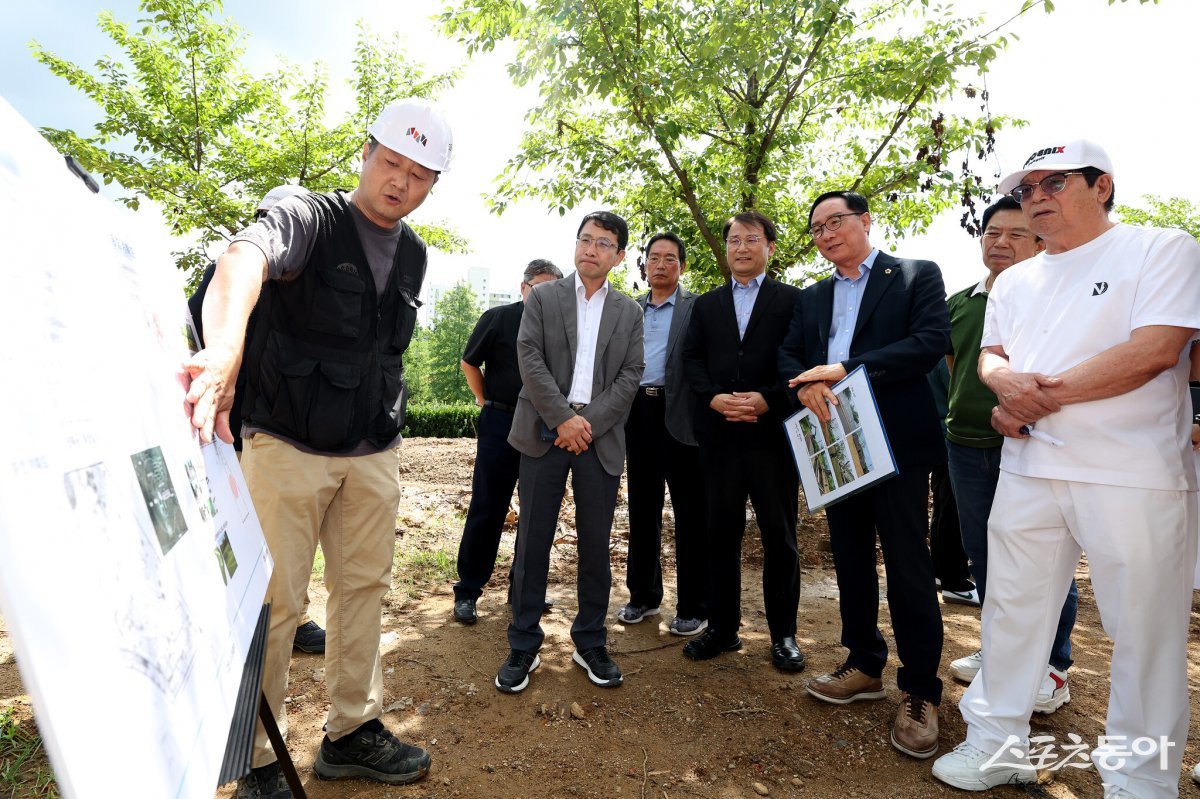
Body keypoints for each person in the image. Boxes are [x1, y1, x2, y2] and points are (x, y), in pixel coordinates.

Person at [183, 98, 453, 798]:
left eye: (418, 173)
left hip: (373, 452)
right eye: (390, 162)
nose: (399, 180)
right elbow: (241, 258)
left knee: (364, 589)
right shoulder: (311, 217)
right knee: (274, 600)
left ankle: (351, 731)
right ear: (366, 155)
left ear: (431, 187)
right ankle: (255, 758)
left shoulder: (416, 254)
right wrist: (224, 351)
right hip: (287, 444)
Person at [932, 140, 1200, 799]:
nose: (1037, 196)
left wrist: (1033, 396)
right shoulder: (1017, 278)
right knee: (1011, 612)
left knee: (1144, 632)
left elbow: (1155, 349)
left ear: (1101, 184)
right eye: (1026, 189)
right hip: (1028, 466)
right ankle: (995, 743)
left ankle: (1141, 778)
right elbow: (992, 353)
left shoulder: (1160, 248)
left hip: (1131, 469)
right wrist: (1003, 389)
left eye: (1054, 181)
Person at [779, 190, 950, 760]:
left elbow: (929, 343)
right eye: (816, 229)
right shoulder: (813, 297)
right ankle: (862, 663)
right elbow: (787, 356)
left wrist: (846, 368)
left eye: (836, 222)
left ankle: (921, 690)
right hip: (835, 445)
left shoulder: (914, 275)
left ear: (866, 221)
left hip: (898, 443)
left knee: (907, 562)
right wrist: (806, 383)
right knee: (850, 557)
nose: (826, 234)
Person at [495, 211, 644, 694]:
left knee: (595, 543)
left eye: (603, 243)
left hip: (597, 438)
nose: (590, 249)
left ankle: (590, 639)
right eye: (585, 239)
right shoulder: (543, 298)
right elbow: (529, 358)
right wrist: (563, 418)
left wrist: (587, 423)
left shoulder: (629, 311)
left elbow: (630, 375)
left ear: (619, 256)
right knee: (532, 539)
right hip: (543, 430)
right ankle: (523, 641)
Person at [942, 196, 1079, 717]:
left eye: (1016, 234)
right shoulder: (961, 302)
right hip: (966, 446)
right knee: (985, 558)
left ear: (1040, 240)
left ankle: (1053, 666)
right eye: (992, 233)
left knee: (1045, 562)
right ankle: (1000, 652)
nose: (1001, 242)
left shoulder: (1055, 300)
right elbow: (958, 364)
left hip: (1030, 445)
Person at [188, 184, 328, 656]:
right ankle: (233, 617)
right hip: (230, 426)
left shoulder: (311, 281)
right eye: (270, 217)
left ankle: (295, 616)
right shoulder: (224, 274)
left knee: (283, 537)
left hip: (284, 428)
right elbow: (195, 337)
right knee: (232, 526)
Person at [680, 210, 805, 672]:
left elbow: (800, 360)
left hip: (771, 437)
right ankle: (722, 628)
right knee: (720, 533)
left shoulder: (793, 301)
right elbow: (690, 359)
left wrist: (768, 400)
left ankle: (784, 636)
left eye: (752, 239)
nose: (741, 248)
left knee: (780, 535)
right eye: (734, 240)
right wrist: (713, 398)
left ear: (769, 247)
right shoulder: (706, 305)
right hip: (718, 438)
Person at [452, 259, 564, 625]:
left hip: (545, 424)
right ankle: (468, 590)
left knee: (537, 512)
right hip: (501, 420)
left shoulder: (564, 325)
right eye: (539, 288)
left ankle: (525, 590)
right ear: (523, 287)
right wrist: (485, 402)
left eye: (553, 289)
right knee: (488, 505)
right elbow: (470, 362)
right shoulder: (498, 318)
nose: (545, 296)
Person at [616, 232, 706, 636]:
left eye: (671, 258)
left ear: (682, 267)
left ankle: (693, 604)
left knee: (690, 514)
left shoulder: (697, 308)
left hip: (681, 414)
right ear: (644, 265)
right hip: (639, 413)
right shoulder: (630, 310)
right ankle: (643, 596)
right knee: (642, 507)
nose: (661, 264)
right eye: (654, 258)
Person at [925, 359, 978, 607]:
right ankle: (954, 581)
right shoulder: (946, 358)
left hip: (939, 436)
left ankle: (941, 572)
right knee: (952, 510)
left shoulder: (935, 354)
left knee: (945, 507)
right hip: (951, 437)